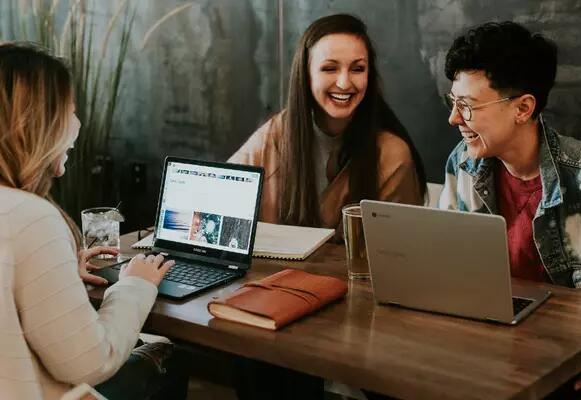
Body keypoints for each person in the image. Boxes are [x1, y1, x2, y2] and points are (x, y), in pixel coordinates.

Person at [0, 42, 185, 399]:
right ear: (35, 123)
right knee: (166, 353)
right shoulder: (30, 218)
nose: (78, 124)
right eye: (69, 110)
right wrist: (134, 286)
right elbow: (89, 363)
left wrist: (59, 276)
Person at [439, 21, 581, 399]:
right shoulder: (461, 164)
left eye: (468, 106)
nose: (454, 119)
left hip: (565, 362)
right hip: (486, 349)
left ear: (523, 108)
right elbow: (446, 272)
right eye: (453, 102)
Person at [229, 13, 427, 232]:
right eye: (329, 68)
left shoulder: (392, 155)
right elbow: (217, 198)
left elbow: (401, 251)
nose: (344, 83)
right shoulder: (274, 135)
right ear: (306, 74)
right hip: (277, 268)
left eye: (357, 69)